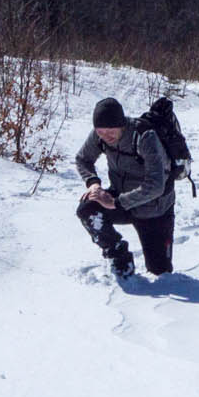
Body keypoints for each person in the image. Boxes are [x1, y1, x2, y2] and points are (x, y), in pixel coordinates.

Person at [74, 97, 175, 278]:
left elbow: (156, 185)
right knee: (87, 208)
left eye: (111, 131)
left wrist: (117, 202)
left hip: (154, 209)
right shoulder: (99, 134)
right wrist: (93, 183)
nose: (106, 137)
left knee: (161, 273)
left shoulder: (145, 137)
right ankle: (117, 253)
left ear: (122, 125)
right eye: (100, 132)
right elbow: (83, 158)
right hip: (120, 199)